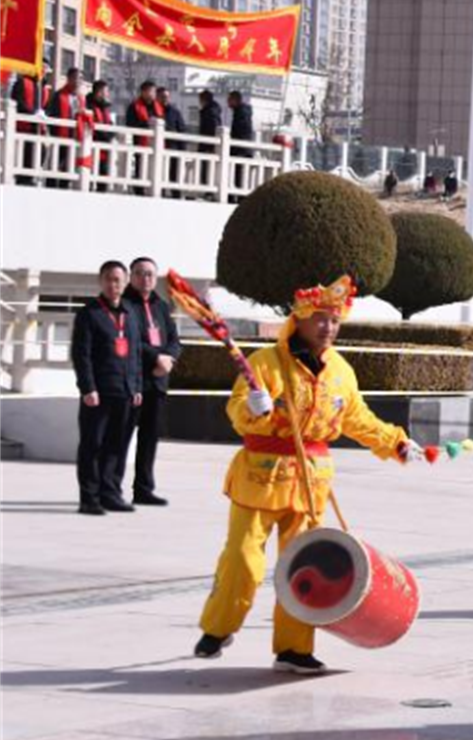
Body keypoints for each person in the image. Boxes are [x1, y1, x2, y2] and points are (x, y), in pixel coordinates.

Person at [193, 276, 422, 673]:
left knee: (302, 567)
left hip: (310, 483)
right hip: (260, 478)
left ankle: (293, 648)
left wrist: (395, 442)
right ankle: (218, 627)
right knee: (243, 560)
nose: (327, 328)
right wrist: (253, 409)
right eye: (319, 319)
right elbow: (236, 414)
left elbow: (357, 419)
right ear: (297, 320)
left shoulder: (341, 373)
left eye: (334, 320)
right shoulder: (267, 363)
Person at [71, 260, 143, 515]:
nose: (114, 284)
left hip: (124, 392)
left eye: (118, 280)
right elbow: (82, 354)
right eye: (109, 279)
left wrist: (136, 386)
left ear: (125, 283)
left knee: (117, 446)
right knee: (92, 446)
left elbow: (134, 352)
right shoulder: (89, 313)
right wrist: (87, 388)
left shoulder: (131, 313)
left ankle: (110, 493)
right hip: (98, 394)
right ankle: (89, 498)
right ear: (101, 281)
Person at [122, 257, 181, 505]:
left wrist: (168, 359)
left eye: (150, 274)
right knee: (120, 438)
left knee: (149, 438)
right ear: (131, 277)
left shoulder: (161, 306)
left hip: (157, 383)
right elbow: (130, 340)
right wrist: (157, 358)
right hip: (133, 382)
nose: (145, 278)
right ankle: (108, 488)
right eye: (139, 273)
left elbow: (174, 340)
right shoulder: (123, 305)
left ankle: (144, 489)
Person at [10, 63, 52, 185]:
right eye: (42, 69)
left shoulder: (45, 89)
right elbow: (17, 101)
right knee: (25, 155)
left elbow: (48, 108)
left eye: (46, 71)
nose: (44, 73)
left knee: (41, 153)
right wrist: (32, 113)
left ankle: (31, 177)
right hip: (24, 128)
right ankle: (23, 180)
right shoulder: (22, 82)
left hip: (38, 129)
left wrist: (44, 114)